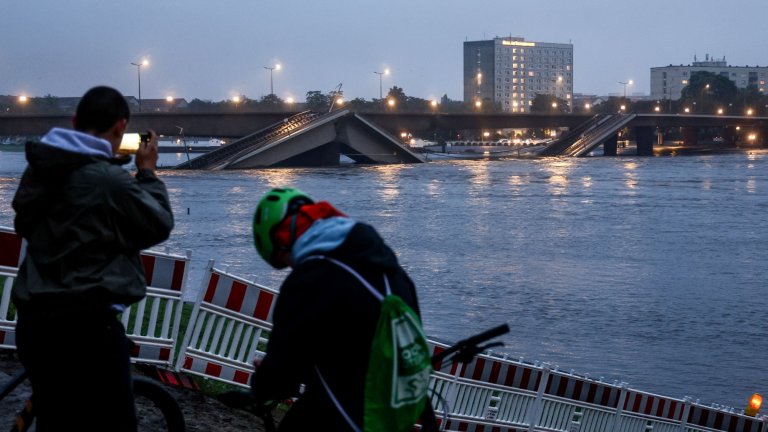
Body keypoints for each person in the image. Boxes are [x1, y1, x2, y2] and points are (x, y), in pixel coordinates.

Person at [11, 86, 174, 431]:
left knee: (58, 419)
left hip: (35, 324)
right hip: (86, 331)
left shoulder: (39, 172)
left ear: (73, 122)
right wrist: (146, 171)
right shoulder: (107, 181)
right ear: (120, 127)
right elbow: (158, 223)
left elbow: (29, 223)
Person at [250, 187, 429, 431]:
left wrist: (266, 378)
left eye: (284, 261)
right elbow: (354, 341)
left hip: (344, 413)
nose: (292, 267)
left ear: (282, 241)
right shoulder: (389, 268)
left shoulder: (311, 277)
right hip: (397, 412)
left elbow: (279, 378)